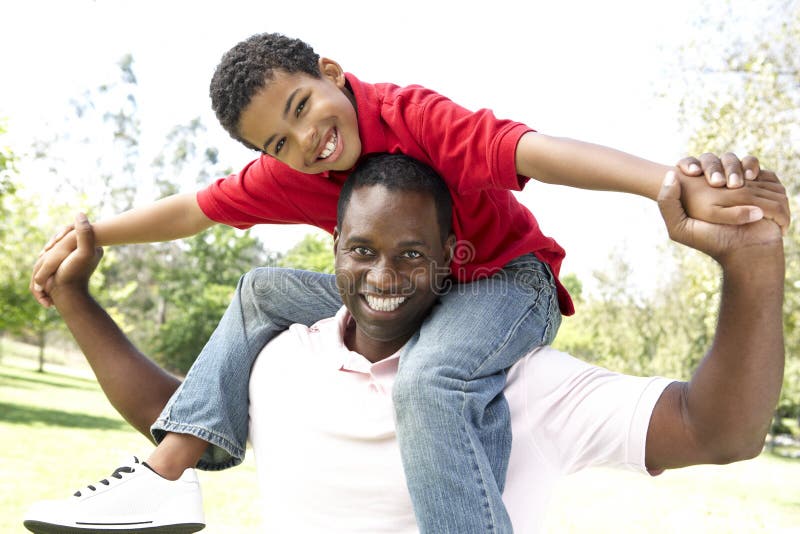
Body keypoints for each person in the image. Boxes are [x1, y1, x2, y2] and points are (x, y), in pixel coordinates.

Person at [28, 32, 790, 533]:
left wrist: (668, 183)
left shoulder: (413, 116)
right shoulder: (297, 179)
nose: (307, 143)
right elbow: (190, 210)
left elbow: (539, 149)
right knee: (260, 290)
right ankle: (165, 478)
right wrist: (90, 236)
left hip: (502, 284)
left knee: (428, 380)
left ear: (331, 73)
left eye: (303, 108)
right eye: (279, 142)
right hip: (432, 293)